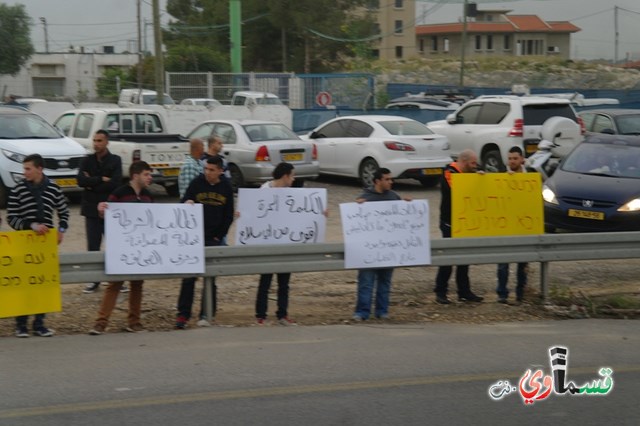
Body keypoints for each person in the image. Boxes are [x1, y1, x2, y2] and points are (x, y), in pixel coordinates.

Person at [7, 153, 70, 337]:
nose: (24, 172)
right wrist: (31, 226)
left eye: (28, 169)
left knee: (43, 285)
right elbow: (11, 217)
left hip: (45, 245)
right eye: (24, 169)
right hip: (24, 243)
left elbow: (64, 212)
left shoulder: (53, 188)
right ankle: (21, 324)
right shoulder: (17, 189)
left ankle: (40, 324)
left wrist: (61, 230)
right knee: (23, 284)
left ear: (39, 169)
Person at [89, 161, 154, 335]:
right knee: (115, 284)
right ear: (135, 176)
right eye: (147, 174)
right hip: (122, 249)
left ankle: (134, 322)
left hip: (141, 248)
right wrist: (102, 210)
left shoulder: (148, 195)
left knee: (137, 284)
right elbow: (107, 215)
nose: (150, 178)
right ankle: (101, 322)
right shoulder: (119, 193)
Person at [175, 156, 234, 329]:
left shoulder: (226, 187)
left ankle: (206, 313)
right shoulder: (196, 183)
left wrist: (219, 236)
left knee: (210, 278)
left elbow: (228, 215)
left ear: (220, 171)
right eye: (206, 169)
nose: (207, 172)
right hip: (194, 238)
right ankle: (183, 315)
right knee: (188, 278)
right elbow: (182, 203)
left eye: (211, 170)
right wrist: (187, 202)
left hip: (213, 239)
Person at [352, 168, 411, 321]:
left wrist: (408, 206)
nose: (390, 182)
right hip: (369, 251)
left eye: (391, 179)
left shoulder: (394, 197)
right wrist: (356, 206)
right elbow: (355, 222)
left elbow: (402, 222)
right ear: (377, 181)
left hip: (388, 249)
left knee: (385, 282)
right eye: (387, 179)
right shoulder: (365, 198)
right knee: (366, 282)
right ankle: (362, 312)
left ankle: (382, 311)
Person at [434, 149, 485, 304]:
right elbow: (460, 190)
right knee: (448, 259)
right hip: (449, 222)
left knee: (464, 259)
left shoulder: (468, 172)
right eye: (473, 163)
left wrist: (481, 178)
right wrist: (475, 179)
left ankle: (464, 291)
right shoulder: (449, 173)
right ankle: (440, 291)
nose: (475, 165)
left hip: (464, 222)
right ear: (463, 161)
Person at [77, 130, 123, 294]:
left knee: (114, 244)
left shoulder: (115, 160)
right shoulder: (86, 160)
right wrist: (101, 179)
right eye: (94, 140)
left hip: (110, 209)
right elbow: (80, 181)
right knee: (93, 245)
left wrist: (92, 183)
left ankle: (117, 279)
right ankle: (93, 280)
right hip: (91, 209)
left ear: (107, 142)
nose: (96, 144)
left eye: (100, 141)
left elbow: (116, 184)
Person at [255, 162, 297, 325]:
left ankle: (282, 314)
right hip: (267, 243)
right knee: (265, 280)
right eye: (292, 176)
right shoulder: (264, 191)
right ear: (285, 176)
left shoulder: (291, 194)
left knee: (284, 282)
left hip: (285, 242)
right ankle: (261, 315)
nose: (293, 179)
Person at [497, 147, 528, 304]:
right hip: (506, 226)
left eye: (515, 158)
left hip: (523, 227)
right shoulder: (502, 175)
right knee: (503, 264)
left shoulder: (531, 177)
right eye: (509, 158)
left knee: (522, 264)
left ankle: (521, 293)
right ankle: (502, 294)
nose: (512, 162)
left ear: (522, 159)